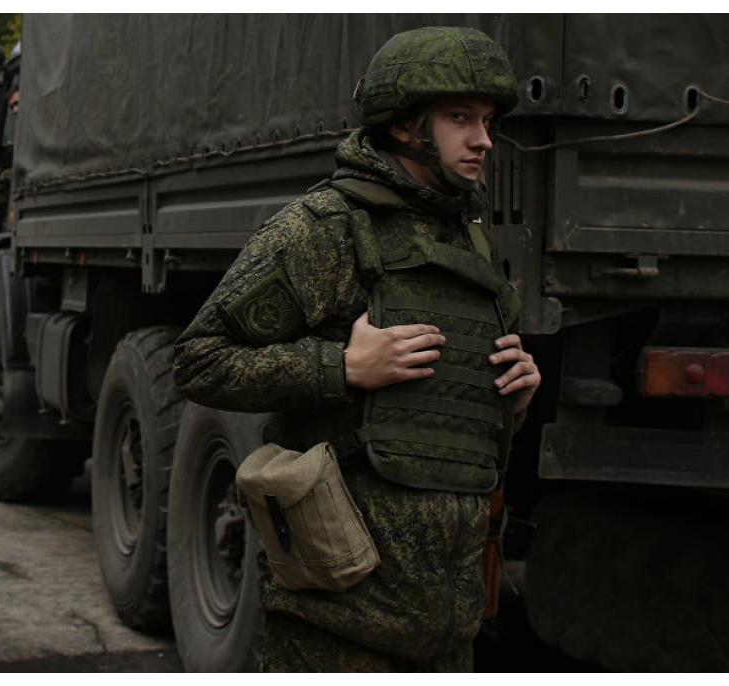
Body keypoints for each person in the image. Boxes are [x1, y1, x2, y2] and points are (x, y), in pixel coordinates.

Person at [173, 26, 541, 671]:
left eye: (487, 121)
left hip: (445, 628)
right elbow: (200, 359)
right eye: (460, 119)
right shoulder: (326, 229)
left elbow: (450, 422)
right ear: (403, 126)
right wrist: (341, 367)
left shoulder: (469, 240)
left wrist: (515, 393)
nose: (484, 139)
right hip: (336, 625)